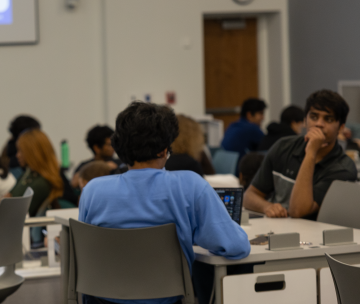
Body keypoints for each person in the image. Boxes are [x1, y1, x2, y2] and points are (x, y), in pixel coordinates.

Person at [79, 102, 250, 304]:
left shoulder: (93, 190)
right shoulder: (190, 185)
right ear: (164, 150)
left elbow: (87, 254)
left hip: (105, 300)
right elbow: (235, 245)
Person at [244, 90, 358, 219]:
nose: (319, 124)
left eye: (328, 119)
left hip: (313, 236)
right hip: (276, 230)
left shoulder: (343, 169)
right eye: (314, 117)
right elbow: (249, 196)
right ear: (305, 120)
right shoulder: (283, 146)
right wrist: (267, 207)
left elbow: (298, 211)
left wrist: (311, 152)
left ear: (341, 128)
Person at [9, 128, 64, 217]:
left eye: (21, 151)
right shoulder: (29, 175)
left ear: (33, 153)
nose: (17, 155)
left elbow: (13, 213)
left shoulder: (41, 183)